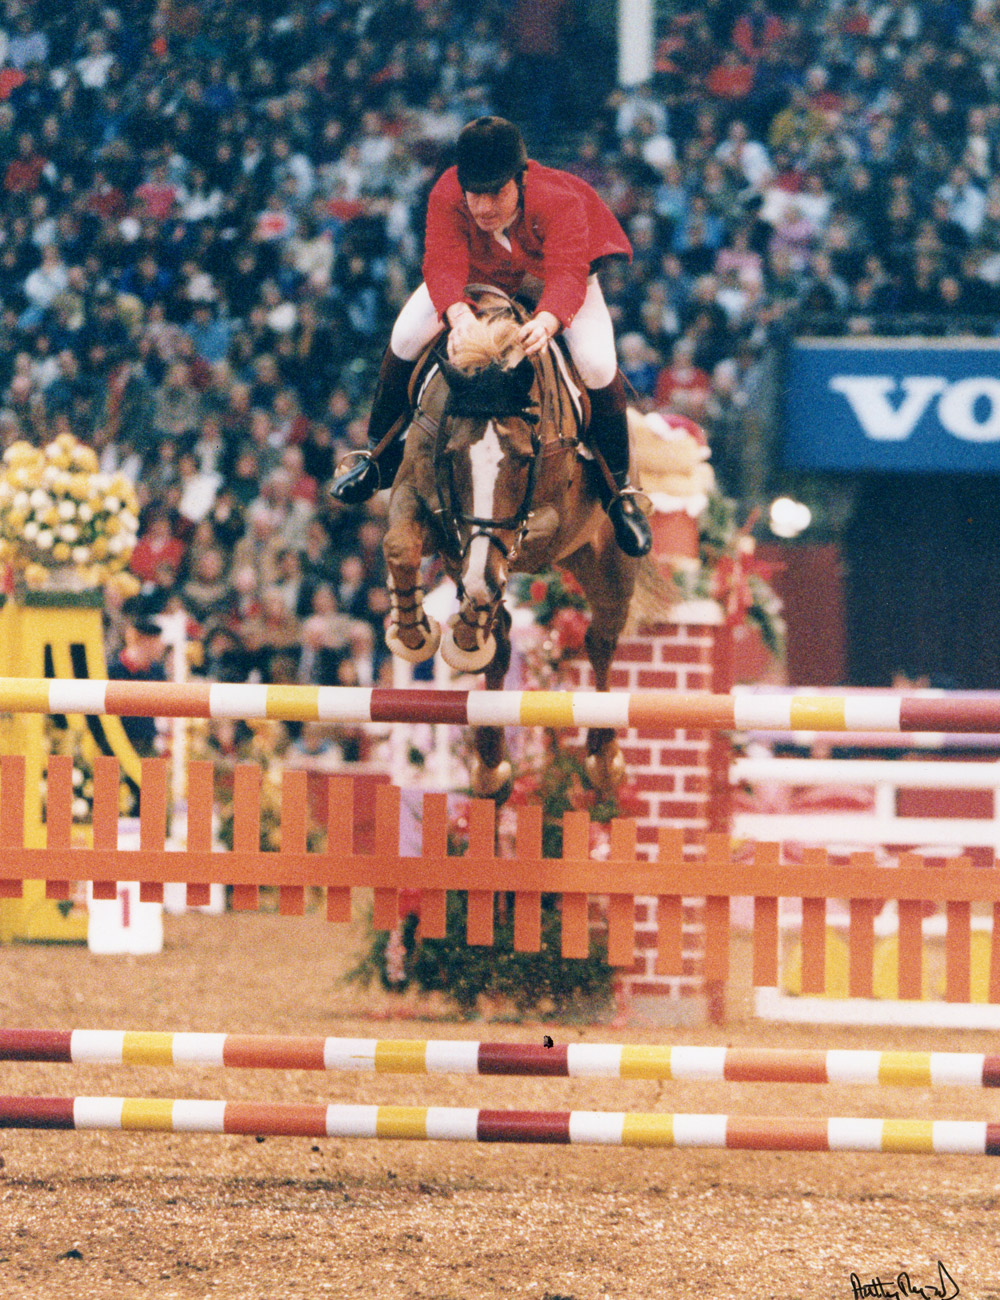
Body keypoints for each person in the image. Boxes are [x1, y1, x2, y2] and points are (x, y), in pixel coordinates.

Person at [330, 116, 652, 558]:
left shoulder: (558, 200)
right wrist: (456, 311)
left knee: (596, 363)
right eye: (474, 193)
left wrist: (550, 320)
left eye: (494, 193)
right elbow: (442, 262)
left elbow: (567, 272)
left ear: (520, 180)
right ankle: (377, 456)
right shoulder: (447, 192)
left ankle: (621, 493)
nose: (482, 207)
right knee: (405, 335)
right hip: (479, 278)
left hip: (552, 282)